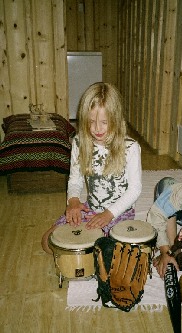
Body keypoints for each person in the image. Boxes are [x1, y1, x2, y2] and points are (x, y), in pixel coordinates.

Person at [41, 82, 142, 253]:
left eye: (104, 122)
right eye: (91, 121)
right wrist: (73, 201)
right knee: (48, 243)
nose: (97, 128)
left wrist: (109, 214)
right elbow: (75, 180)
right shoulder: (79, 142)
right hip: (90, 208)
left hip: (118, 213)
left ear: (116, 119)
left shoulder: (131, 148)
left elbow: (135, 189)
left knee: (103, 250)